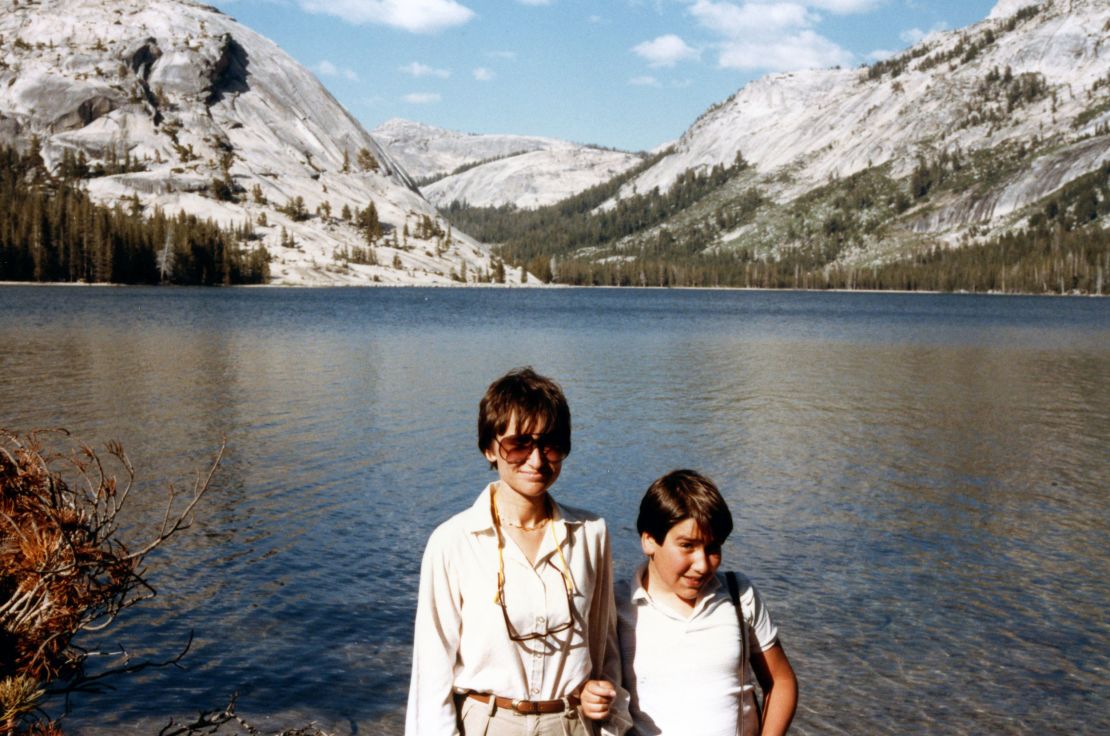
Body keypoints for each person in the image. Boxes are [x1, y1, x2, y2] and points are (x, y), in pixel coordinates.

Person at [406, 367, 630, 736]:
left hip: (571, 724)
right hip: (487, 723)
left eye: (551, 444)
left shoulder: (591, 535)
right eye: (519, 444)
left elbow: (604, 650)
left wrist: (603, 698)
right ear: (490, 448)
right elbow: (431, 674)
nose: (537, 460)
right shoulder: (453, 542)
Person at [616, 470, 797, 736]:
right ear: (649, 541)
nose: (702, 565)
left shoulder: (738, 593)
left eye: (713, 548)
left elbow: (780, 681)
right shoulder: (617, 605)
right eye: (687, 546)